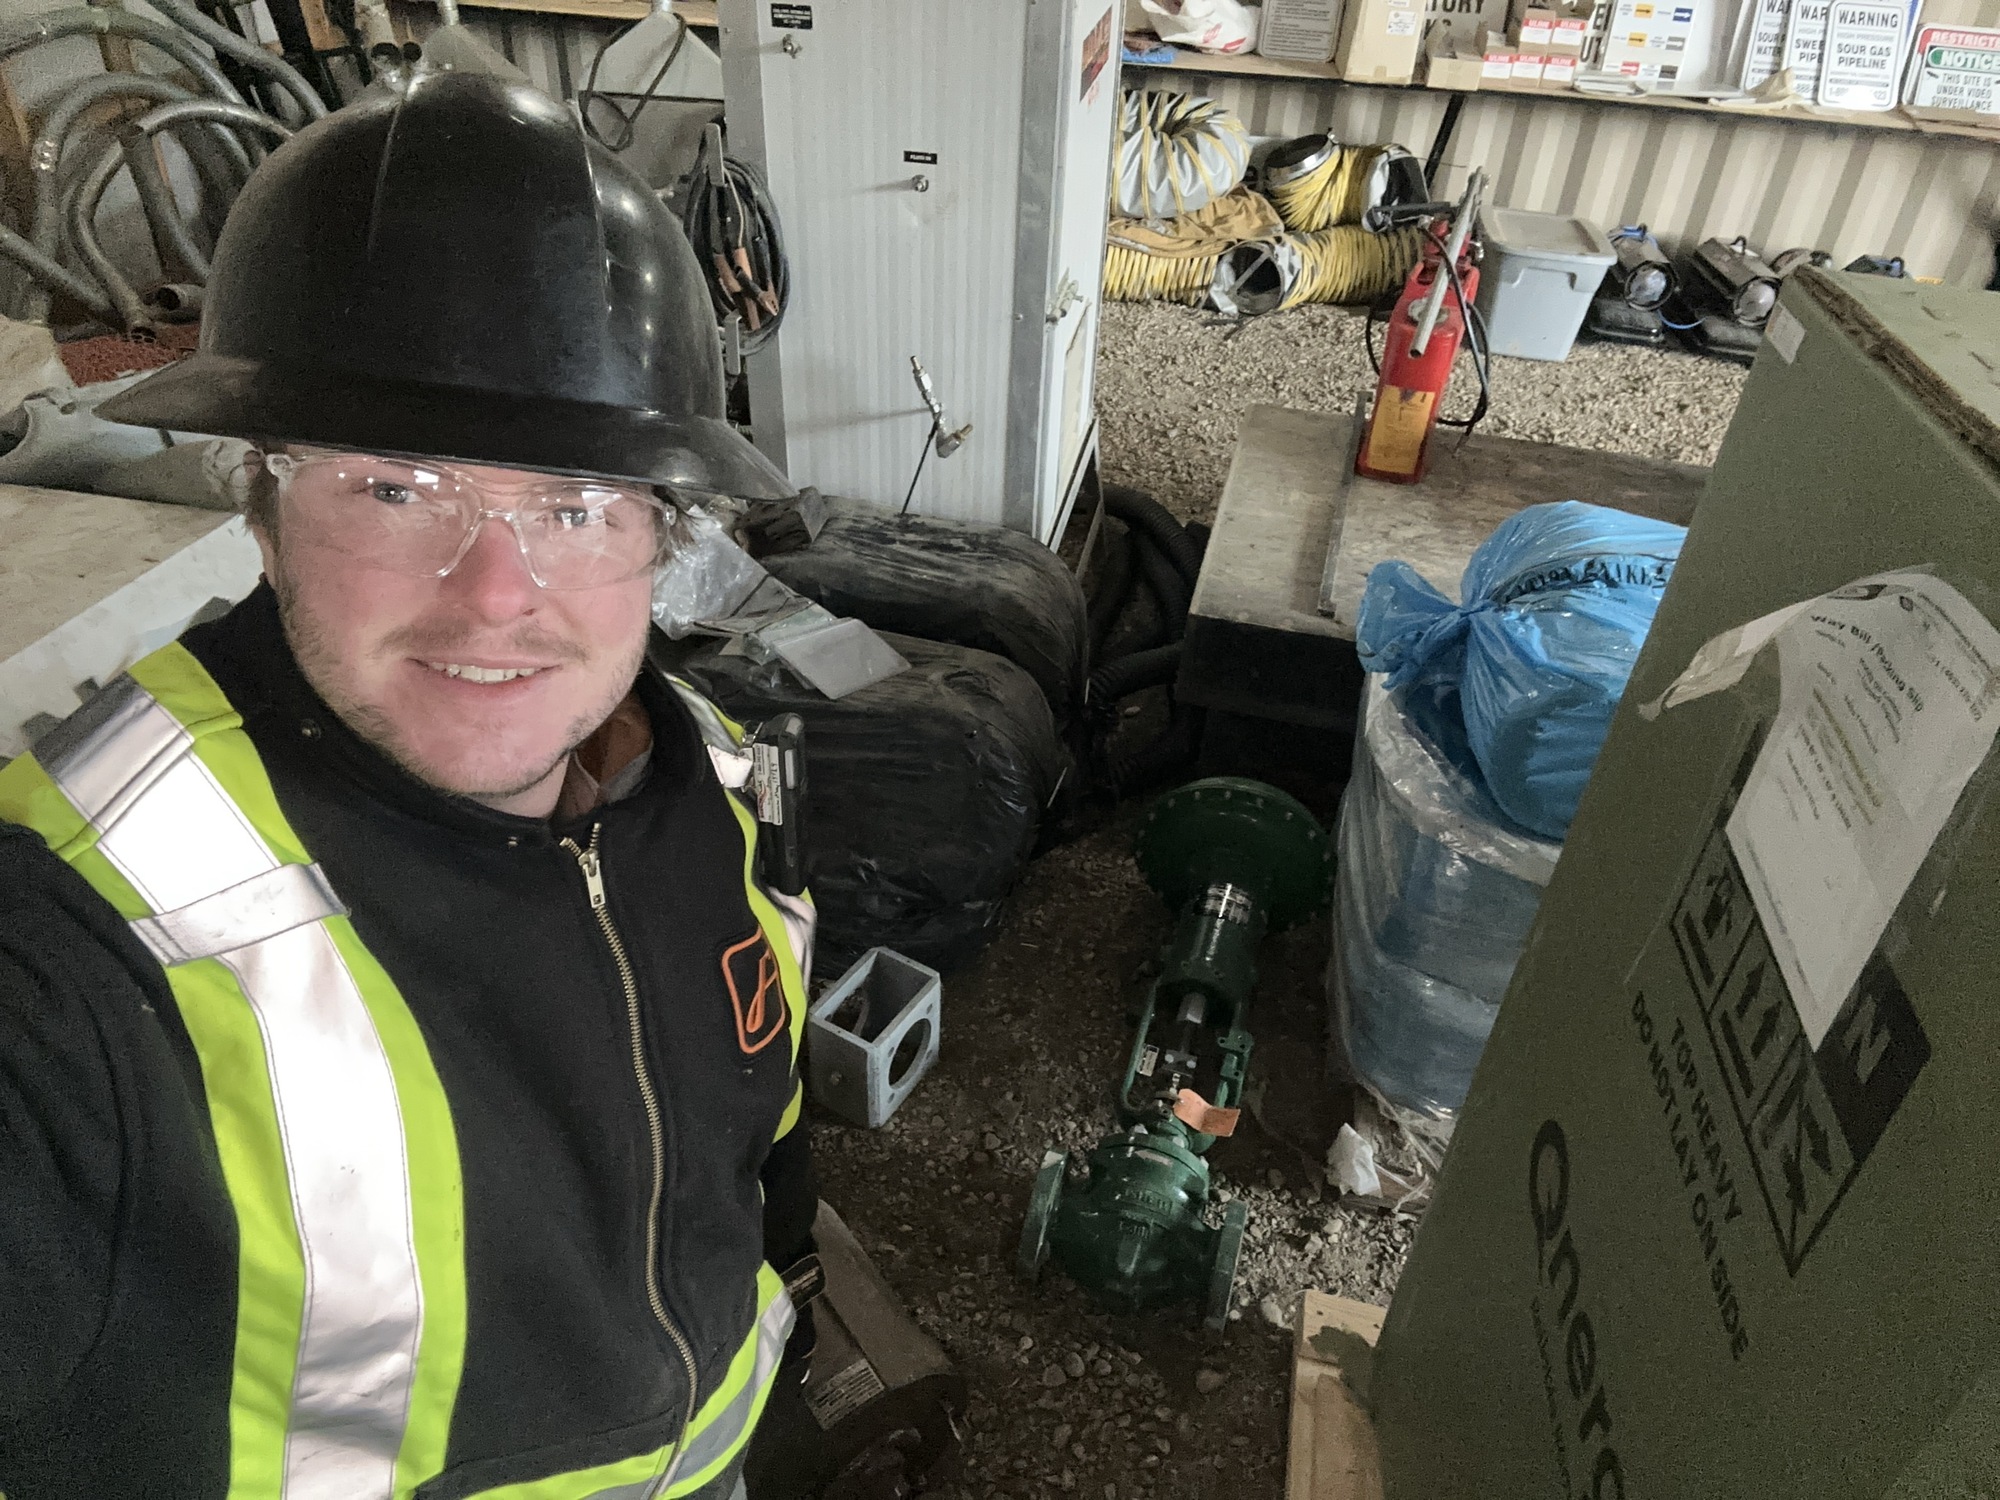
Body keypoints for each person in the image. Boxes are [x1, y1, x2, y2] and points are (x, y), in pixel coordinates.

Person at [0, 70, 820, 1500]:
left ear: (664, 537)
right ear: (261, 507)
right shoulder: (81, 934)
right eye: (395, 488)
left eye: (577, 505)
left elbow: (758, 1152)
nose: (496, 594)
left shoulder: (709, 784)